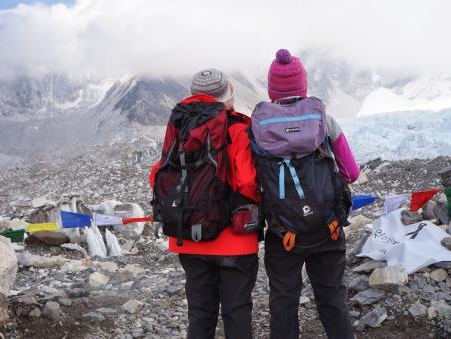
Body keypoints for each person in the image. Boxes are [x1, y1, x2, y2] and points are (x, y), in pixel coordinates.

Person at [252, 49, 360, 339]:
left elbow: (253, 181)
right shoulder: (324, 119)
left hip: (282, 232)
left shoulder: (258, 127)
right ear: (303, 84)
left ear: (271, 87)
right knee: (332, 300)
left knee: (283, 302)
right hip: (328, 227)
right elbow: (351, 173)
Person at [149, 69, 260, 339]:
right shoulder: (237, 127)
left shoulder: (181, 126)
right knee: (236, 311)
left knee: (200, 313)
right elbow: (247, 181)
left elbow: (157, 175)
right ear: (227, 94)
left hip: (190, 235)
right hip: (234, 240)